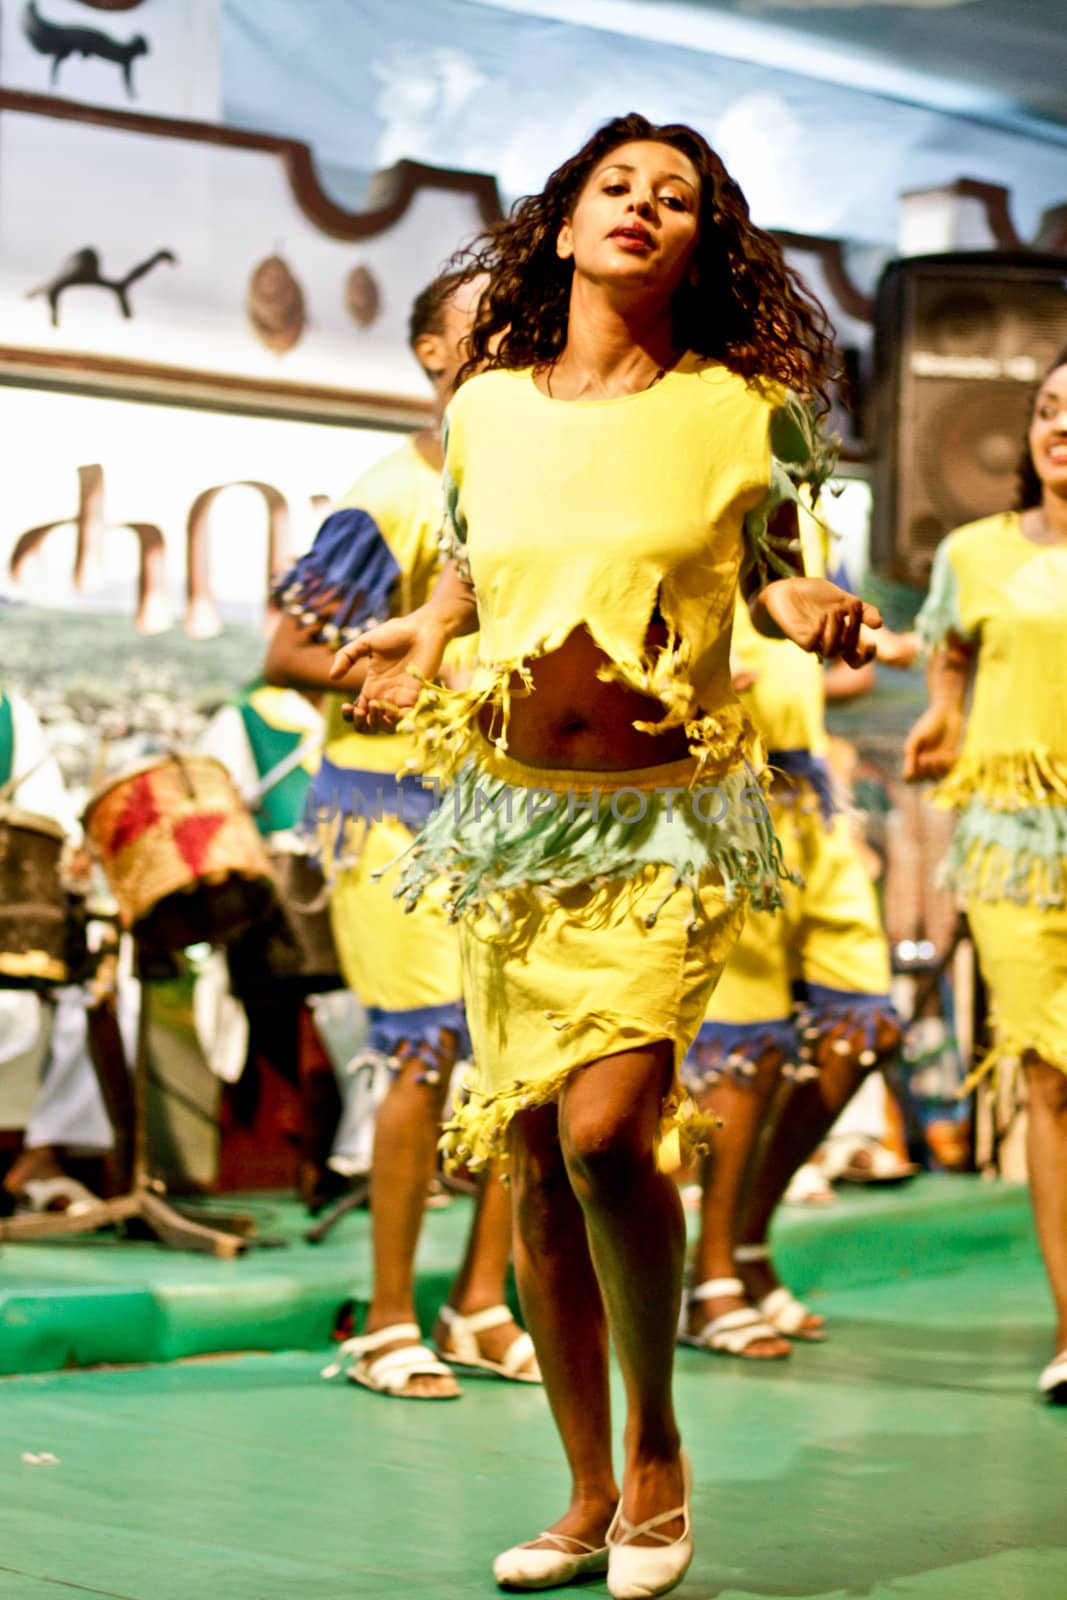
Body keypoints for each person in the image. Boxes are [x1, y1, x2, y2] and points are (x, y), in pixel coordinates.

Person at [334, 113, 879, 1597]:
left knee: (598, 1136)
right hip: (508, 825)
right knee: (523, 1151)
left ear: (702, 244)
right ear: (563, 225)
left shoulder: (739, 405)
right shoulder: (491, 406)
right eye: (616, 187)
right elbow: (468, 554)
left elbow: (769, 577)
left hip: (659, 825)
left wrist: (809, 613)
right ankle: (580, 1497)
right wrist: (425, 631)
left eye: (678, 199)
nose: (643, 207)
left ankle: (655, 1450)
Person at [266, 272, 539, 1399]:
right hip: (389, 808)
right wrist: (381, 666)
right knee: (425, 1050)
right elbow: (286, 651)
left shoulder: (531, 486)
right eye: (481, 318)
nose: (509, 330)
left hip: (511, 806)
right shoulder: (387, 494)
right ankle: (385, 1317)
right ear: (431, 352)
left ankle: (479, 1303)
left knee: (521, 1068)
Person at [680, 522, 913, 1359]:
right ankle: (709, 1284)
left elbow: (810, 662)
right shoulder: (680, 495)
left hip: (808, 796)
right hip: (715, 795)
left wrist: (866, 649)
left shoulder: (798, 516)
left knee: (865, 1024)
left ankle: (742, 1241)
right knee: (742, 1054)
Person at [904, 346, 1067, 1406]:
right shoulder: (969, 549)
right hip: (1011, 838)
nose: (1060, 427)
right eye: (1050, 408)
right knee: (1049, 1071)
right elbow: (951, 654)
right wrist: (942, 715)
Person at [0, 687, 117, 1212]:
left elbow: (46, 821)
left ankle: (41, 1158)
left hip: (12, 926)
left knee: (95, 994)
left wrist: (72, 857)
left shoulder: (11, 714)